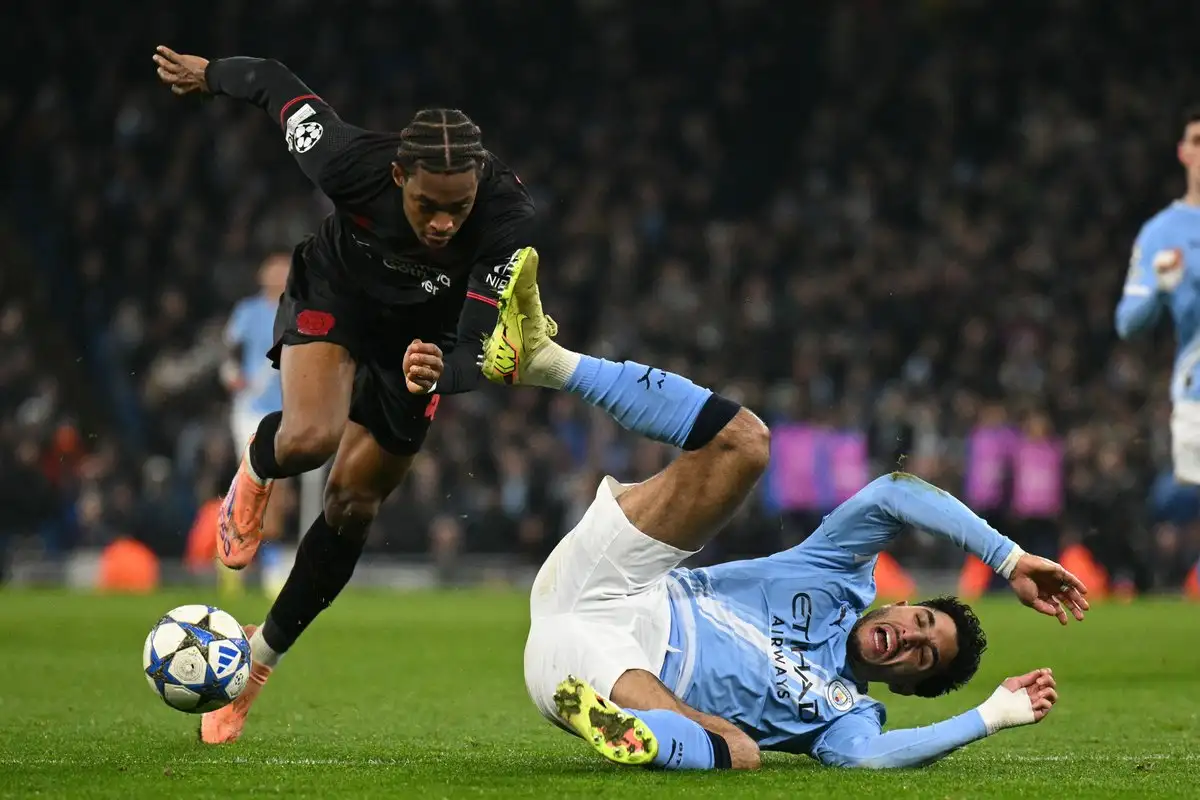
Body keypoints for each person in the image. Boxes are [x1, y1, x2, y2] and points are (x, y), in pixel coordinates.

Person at [480, 253, 1088, 771]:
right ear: (903, 605)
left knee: (742, 751)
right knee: (745, 442)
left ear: (907, 686)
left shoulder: (845, 717)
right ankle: (545, 360)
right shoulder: (837, 573)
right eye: (922, 622)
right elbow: (894, 494)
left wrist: (992, 715)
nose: (909, 638)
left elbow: (872, 758)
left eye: (923, 657)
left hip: (609, 672)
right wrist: (1007, 558)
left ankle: (631, 729)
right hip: (621, 583)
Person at [153, 46, 534, 744]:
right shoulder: (346, 160)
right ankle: (258, 467)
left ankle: (257, 661)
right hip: (336, 292)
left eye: (457, 208)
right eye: (427, 206)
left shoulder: (506, 217)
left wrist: (440, 370)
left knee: (354, 503)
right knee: (310, 438)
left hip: (420, 337)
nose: (443, 224)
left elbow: (478, 346)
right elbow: (273, 83)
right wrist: (210, 76)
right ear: (398, 176)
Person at [1116, 106, 1200, 487]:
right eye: (1198, 141)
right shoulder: (1161, 233)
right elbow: (1128, 323)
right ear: (1183, 152)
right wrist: (1160, 287)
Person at [219, 252, 292, 598]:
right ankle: (236, 556)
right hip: (252, 408)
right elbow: (228, 354)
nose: (278, 275)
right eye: (274, 269)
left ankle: (271, 559)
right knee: (250, 481)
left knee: (279, 488)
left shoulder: (300, 310)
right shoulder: (247, 312)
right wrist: (232, 376)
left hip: (289, 410)